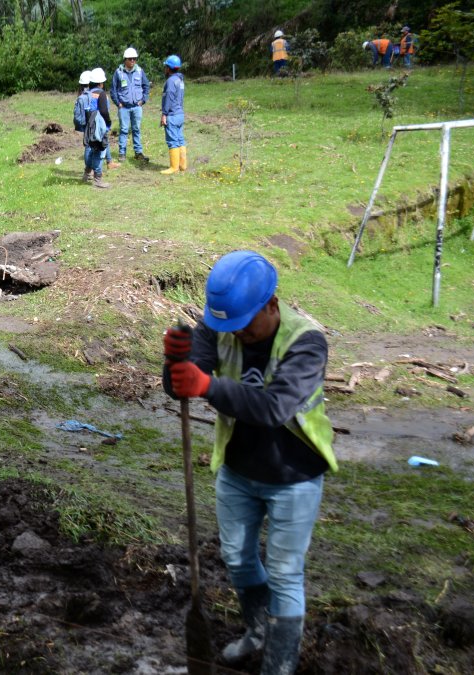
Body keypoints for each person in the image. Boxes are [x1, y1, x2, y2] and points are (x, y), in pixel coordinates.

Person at [162, 250, 337, 675]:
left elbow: (275, 407)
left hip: (294, 476)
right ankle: (258, 632)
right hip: (238, 470)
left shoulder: (306, 342)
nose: (236, 335)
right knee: (237, 558)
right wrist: (175, 366)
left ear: (271, 305)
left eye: (244, 326)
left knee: (284, 572)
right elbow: (184, 389)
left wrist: (208, 386)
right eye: (229, 327)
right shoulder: (219, 327)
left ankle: (280, 664)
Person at [111, 47, 151, 163]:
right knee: (123, 130)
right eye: (130, 59)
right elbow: (113, 90)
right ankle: (122, 153)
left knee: (136, 129)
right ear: (125, 60)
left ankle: (138, 153)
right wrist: (118, 103)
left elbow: (146, 86)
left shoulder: (140, 71)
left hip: (137, 107)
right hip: (124, 107)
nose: (133, 61)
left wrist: (143, 100)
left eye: (134, 59)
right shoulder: (118, 72)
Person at [160, 55, 187, 175]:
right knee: (180, 139)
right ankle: (182, 165)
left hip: (172, 115)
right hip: (180, 114)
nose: (165, 69)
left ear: (168, 68)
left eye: (166, 67)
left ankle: (174, 167)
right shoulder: (180, 80)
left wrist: (164, 114)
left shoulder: (170, 81)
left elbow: (168, 99)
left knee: (172, 141)